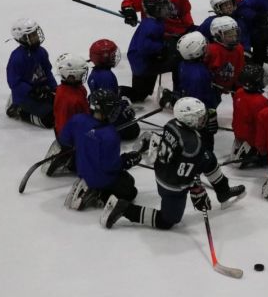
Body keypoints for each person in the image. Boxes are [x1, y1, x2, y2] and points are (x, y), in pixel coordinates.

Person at [102, 97, 245, 229]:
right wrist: (196, 190)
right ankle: (123, 208)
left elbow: (187, 156)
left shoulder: (172, 124)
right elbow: (183, 175)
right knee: (168, 220)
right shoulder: (192, 145)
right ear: (189, 119)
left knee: (209, 158)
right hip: (172, 186)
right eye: (200, 117)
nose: (204, 120)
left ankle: (223, 192)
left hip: (163, 170)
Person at [60, 90, 145, 221]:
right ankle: (99, 194)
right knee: (130, 189)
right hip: (101, 178)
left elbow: (65, 139)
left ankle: (90, 185)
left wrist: (84, 142)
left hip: (81, 170)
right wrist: (127, 160)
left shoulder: (77, 119)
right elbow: (111, 166)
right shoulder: (110, 135)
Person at [123, 0, 177, 103]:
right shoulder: (151, 26)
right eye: (163, 8)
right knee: (177, 62)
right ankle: (179, 93)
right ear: (155, 10)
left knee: (141, 93)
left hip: (140, 60)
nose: (167, 10)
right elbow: (144, 46)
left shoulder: (156, 21)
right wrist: (162, 47)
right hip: (143, 63)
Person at [5, 18, 57, 128]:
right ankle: (18, 108)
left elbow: (47, 72)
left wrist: (55, 89)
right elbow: (14, 83)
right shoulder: (17, 58)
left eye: (35, 34)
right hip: (26, 96)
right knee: (49, 120)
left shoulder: (42, 52)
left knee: (63, 107)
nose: (36, 37)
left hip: (42, 92)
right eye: (31, 36)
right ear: (22, 38)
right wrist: (32, 90)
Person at [87, 39, 140, 141]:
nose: (115, 57)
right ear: (104, 59)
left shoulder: (94, 73)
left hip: (99, 108)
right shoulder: (107, 77)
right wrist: (123, 106)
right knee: (134, 130)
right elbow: (109, 106)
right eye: (112, 55)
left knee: (130, 91)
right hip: (107, 116)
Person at [230, 64, 268, 165]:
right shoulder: (261, 101)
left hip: (239, 133)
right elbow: (265, 126)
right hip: (252, 139)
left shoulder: (239, 93)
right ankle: (258, 154)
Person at [205, 16, 246, 96]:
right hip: (212, 89)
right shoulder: (212, 50)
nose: (234, 38)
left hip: (229, 84)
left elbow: (239, 69)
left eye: (235, 33)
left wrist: (238, 85)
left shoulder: (239, 48)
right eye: (229, 35)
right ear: (218, 35)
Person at [53, 53, 90, 138]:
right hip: (74, 137)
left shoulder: (75, 87)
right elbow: (63, 125)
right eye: (80, 74)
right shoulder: (67, 100)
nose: (83, 76)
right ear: (71, 76)